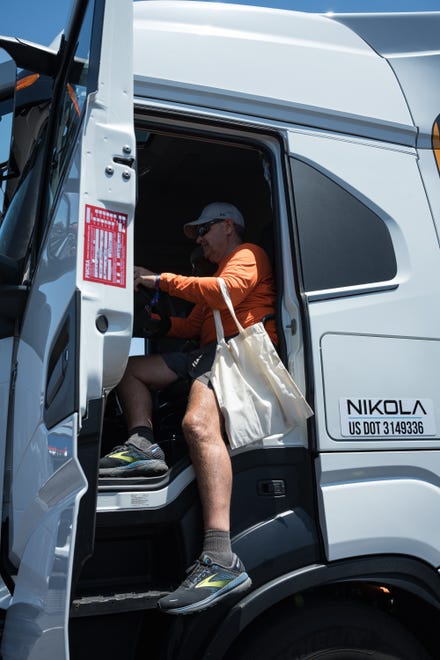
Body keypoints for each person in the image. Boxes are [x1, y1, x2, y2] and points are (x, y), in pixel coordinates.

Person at [99, 202, 277, 614]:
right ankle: (142, 443)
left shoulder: (248, 254)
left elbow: (224, 293)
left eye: (203, 231)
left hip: (236, 353)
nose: (199, 240)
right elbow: (192, 328)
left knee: (197, 423)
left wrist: (159, 277)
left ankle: (221, 559)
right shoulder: (213, 274)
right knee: (130, 371)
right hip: (205, 352)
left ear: (227, 226)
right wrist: (159, 320)